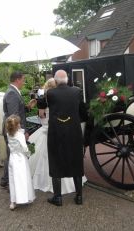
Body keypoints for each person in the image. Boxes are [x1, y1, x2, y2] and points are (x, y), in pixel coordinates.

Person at [29, 78, 87, 194]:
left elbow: (42, 117)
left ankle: (56, 194)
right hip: (63, 132)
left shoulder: (44, 101)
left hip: (48, 132)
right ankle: (75, 189)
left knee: (51, 161)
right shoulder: (63, 100)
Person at [42, 70, 87, 206]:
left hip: (56, 133)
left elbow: (42, 107)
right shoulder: (77, 92)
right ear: (67, 80)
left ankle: (58, 197)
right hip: (74, 132)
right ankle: (79, 197)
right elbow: (83, 113)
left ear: (55, 81)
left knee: (56, 161)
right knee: (76, 161)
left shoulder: (50, 93)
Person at [0, 71, 36, 188]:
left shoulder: (14, 92)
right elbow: (13, 117)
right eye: (23, 80)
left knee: (11, 155)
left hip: (13, 130)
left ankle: (5, 180)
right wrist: (23, 132)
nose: (24, 82)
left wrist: (27, 107)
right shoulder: (12, 93)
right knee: (12, 156)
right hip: (13, 132)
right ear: (17, 80)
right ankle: (11, 184)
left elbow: (17, 111)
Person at [6, 114, 35, 210]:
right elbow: (25, 148)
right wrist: (29, 153)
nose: (20, 124)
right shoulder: (20, 135)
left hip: (12, 158)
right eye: (19, 123)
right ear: (17, 125)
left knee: (13, 179)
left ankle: (13, 201)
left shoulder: (8, 134)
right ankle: (24, 197)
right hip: (20, 159)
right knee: (23, 179)